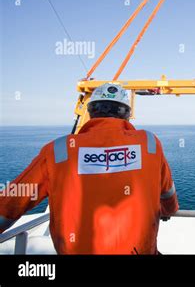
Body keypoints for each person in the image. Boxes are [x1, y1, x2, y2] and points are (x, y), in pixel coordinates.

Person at [0, 83, 178, 254]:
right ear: (127, 114)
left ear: (91, 111)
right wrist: (169, 210)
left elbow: (13, 200)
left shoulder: (58, 149)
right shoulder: (149, 143)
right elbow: (167, 192)